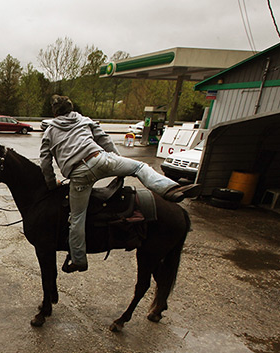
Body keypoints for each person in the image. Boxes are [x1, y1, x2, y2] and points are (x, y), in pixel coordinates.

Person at [40, 95, 201, 274]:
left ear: (55, 112)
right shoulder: (84, 120)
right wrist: (117, 161)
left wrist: (51, 184)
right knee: (140, 167)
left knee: (77, 218)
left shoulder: (49, 131)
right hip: (101, 159)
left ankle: (79, 260)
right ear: (71, 108)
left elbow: (45, 162)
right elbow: (105, 140)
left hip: (79, 174)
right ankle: (170, 189)